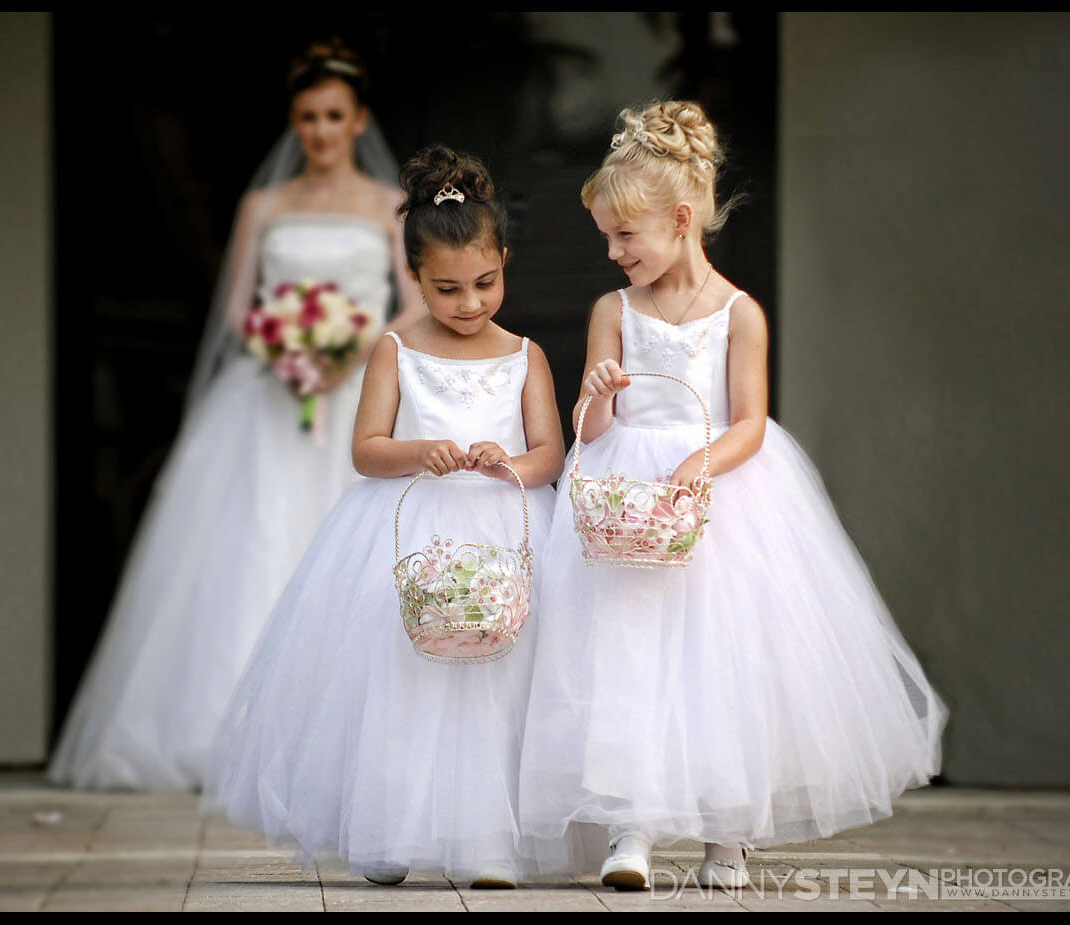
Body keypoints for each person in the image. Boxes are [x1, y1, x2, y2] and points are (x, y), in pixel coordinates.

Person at [517, 101, 948, 891]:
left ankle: (727, 834)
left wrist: (701, 460)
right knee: (625, 657)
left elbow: (750, 420)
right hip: (627, 505)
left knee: (725, 665)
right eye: (605, 237)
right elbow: (587, 421)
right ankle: (629, 824)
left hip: (717, 501)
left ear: (680, 220)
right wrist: (602, 390)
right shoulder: (612, 312)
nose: (611, 252)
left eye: (624, 236)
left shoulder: (738, 313)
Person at [48, 38, 422, 792]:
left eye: (333, 115)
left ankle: (346, 737)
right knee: (250, 545)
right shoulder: (263, 205)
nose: (319, 130)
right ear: (294, 122)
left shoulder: (388, 206)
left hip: (356, 393)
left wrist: (352, 350)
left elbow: (413, 304)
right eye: (307, 116)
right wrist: (286, 345)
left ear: (358, 121)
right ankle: (229, 734)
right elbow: (234, 306)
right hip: (269, 394)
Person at [204, 145, 565, 888]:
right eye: (446, 289)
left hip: (502, 526)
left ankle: (488, 839)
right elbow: (366, 449)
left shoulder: (525, 356)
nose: (469, 304)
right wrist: (421, 449)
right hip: (407, 529)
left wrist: (510, 467)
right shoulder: (394, 349)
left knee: (498, 683)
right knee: (403, 677)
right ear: (413, 277)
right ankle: (390, 825)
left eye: (484, 283)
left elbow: (550, 452)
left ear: (503, 258)